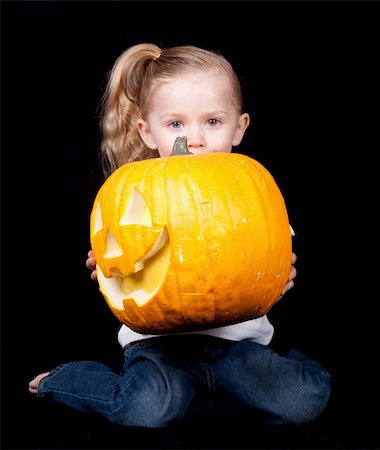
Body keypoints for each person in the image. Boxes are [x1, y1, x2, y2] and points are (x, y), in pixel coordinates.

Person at [29, 43, 330, 428]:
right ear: (147, 132)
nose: (195, 138)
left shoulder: (249, 189)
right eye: (176, 124)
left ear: (239, 127)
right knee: (143, 409)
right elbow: (122, 260)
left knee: (302, 400)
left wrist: (278, 280)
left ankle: (214, 394)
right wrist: (109, 266)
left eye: (213, 122)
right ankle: (66, 379)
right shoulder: (135, 195)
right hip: (158, 349)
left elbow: (269, 258)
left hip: (238, 350)